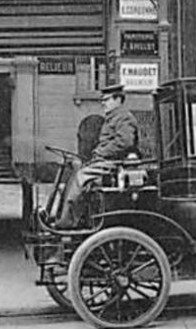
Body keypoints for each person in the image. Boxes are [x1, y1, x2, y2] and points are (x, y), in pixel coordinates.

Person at [56, 84, 139, 227]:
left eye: (106, 99)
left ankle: (68, 223)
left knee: (81, 177)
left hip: (113, 164)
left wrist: (101, 152)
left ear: (118, 99)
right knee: (74, 173)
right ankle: (70, 217)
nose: (103, 103)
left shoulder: (124, 117)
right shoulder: (113, 117)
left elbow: (125, 142)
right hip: (106, 162)